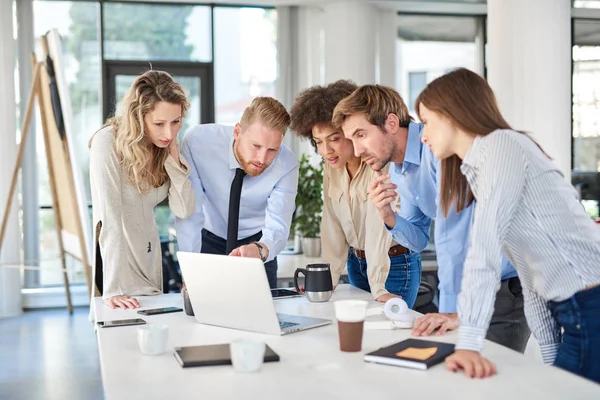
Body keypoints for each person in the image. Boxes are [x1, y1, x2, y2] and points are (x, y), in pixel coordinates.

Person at [416, 67, 600, 382]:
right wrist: (549, 351)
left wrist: (470, 343)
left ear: (450, 115)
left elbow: (484, 251)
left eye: (426, 123)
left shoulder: (500, 146)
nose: (423, 136)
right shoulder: (479, 166)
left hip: (589, 304)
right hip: (576, 308)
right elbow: (530, 269)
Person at [332, 84, 530, 352]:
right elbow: (418, 240)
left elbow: (453, 235)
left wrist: (448, 308)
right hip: (470, 285)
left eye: (360, 135)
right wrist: (388, 215)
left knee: (494, 380)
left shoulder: (440, 150)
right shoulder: (401, 171)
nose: (356, 151)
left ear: (391, 122)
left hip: (502, 287)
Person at [289, 80, 421, 306]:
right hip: (356, 263)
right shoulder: (332, 167)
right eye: (318, 142)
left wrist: (378, 285)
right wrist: (327, 278)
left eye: (334, 139)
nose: (326, 150)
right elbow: (331, 222)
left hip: (393, 264)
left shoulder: (379, 162)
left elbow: (376, 226)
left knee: (387, 335)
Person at [90, 70, 195, 309]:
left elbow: (184, 210)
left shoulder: (163, 148)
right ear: (139, 117)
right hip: (118, 269)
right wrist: (113, 288)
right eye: (159, 124)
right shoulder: (107, 143)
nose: (169, 133)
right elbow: (109, 219)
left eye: (176, 122)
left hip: (150, 261)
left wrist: (175, 159)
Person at [175, 97, 298, 288]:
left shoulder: (286, 163)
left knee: (262, 314)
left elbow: (278, 225)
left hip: (258, 245)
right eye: (256, 146)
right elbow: (191, 210)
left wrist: (261, 249)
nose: (262, 159)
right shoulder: (198, 142)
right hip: (207, 241)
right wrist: (189, 270)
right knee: (202, 313)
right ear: (237, 131)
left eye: (272, 149)